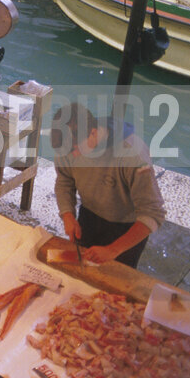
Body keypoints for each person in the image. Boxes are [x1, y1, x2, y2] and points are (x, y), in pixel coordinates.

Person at [52, 102, 165, 268]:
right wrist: (67, 214)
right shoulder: (67, 147)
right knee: (82, 274)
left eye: (76, 149)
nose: (73, 155)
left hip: (126, 227)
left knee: (116, 281)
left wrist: (113, 250)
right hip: (89, 216)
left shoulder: (133, 156)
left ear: (93, 132)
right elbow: (64, 180)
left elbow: (153, 213)